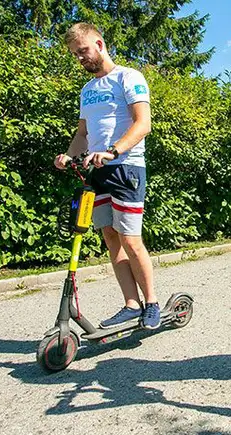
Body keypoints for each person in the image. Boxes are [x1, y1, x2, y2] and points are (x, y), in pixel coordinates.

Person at [54, 23, 161, 329]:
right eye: (75, 54)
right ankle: (131, 303)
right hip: (95, 170)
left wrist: (114, 151)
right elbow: (83, 133)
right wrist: (69, 156)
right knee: (111, 238)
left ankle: (151, 303)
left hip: (126, 168)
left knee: (130, 239)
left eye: (83, 51)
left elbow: (143, 125)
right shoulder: (87, 91)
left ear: (99, 44)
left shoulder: (129, 77)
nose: (80, 59)